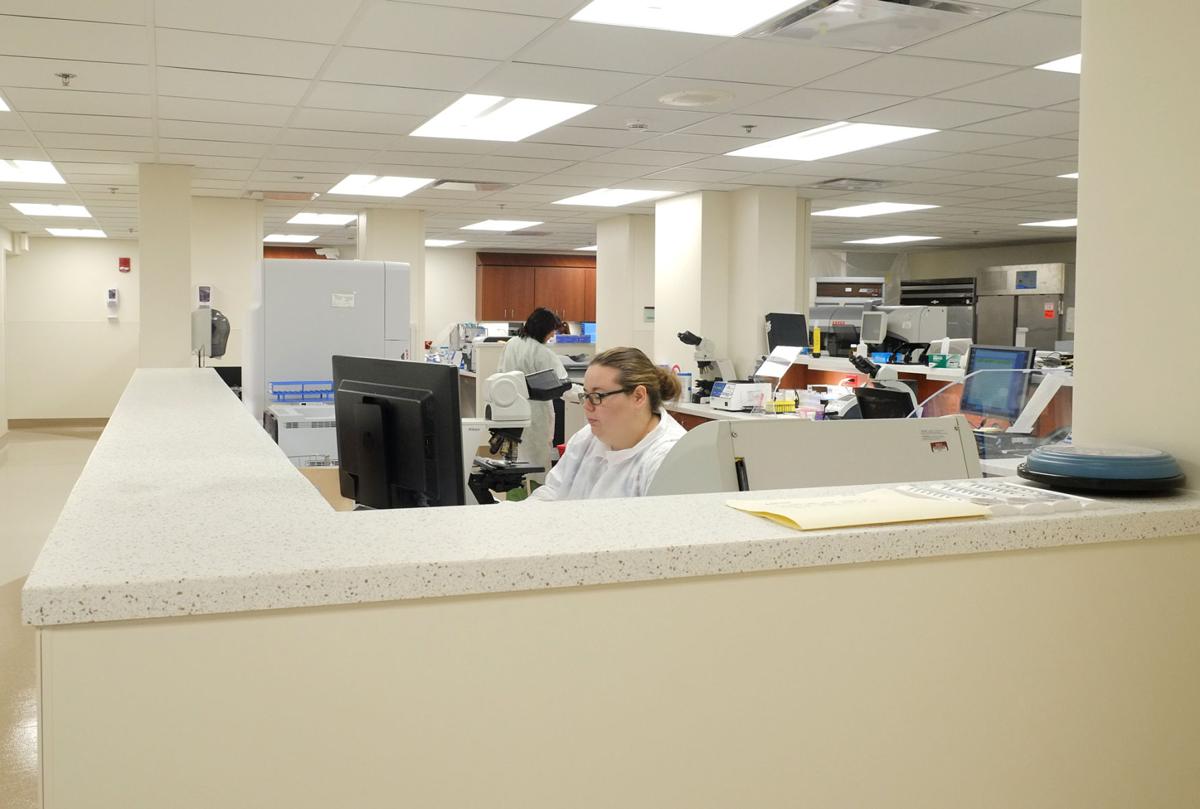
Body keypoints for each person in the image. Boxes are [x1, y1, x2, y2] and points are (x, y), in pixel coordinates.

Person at [528, 347, 685, 501]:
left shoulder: (667, 459)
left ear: (638, 396)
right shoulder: (587, 438)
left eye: (598, 395)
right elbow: (553, 491)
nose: (587, 406)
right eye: (586, 395)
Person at [497, 307, 569, 479]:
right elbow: (561, 384)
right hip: (535, 414)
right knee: (537, 462)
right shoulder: (542, 353)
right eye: (552, 330)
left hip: (511, 410)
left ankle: (516, 492)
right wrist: (584, 395)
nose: (553, 335)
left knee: (513, 459)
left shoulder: (512, 344)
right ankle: (536, 494)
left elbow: (500, 372)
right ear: (544, 329)